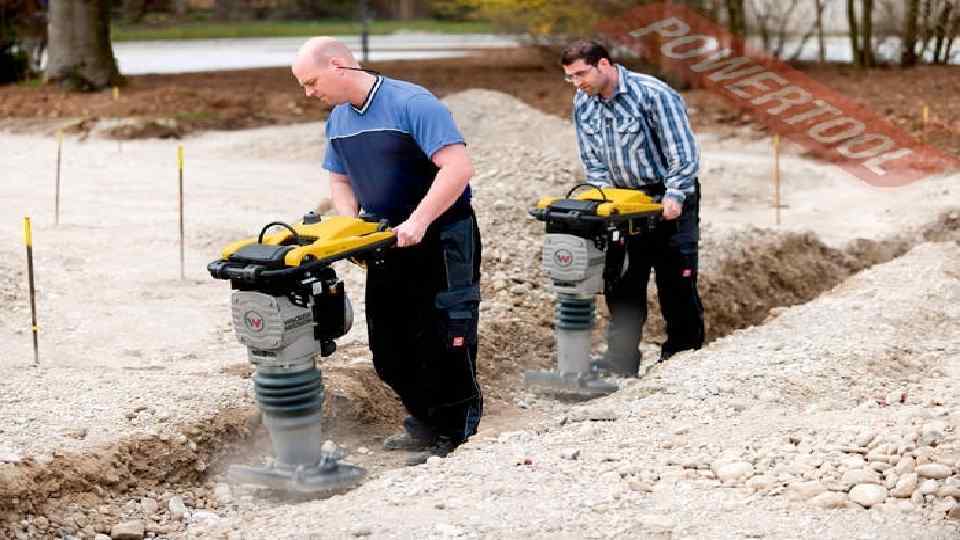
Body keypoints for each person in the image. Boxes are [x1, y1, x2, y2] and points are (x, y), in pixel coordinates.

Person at [292, 37, 483, 463]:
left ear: (338, 65)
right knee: (390, 346)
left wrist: (419, 220)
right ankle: (423, 422)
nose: (308, 93)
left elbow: (458, 167)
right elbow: (339, 178)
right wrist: (351, 226)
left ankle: (455, 433)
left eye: (311, 82)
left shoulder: (412, 102)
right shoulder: (338, 119)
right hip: (384, 242)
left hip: (442, 236)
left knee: (445, 335)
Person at [560, 40, 705, 376]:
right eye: (570, 77)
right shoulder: (583, 101)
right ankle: (621, 360)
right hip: (624, 201)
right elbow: (592, 158)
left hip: (666, 195)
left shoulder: (652, 94)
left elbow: (682, 152)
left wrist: (675, 195)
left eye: (581, 74)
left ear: (604, 64)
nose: (577, 83)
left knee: (675, 279)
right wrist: (603, 197)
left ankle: (683, 354)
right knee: (622, 281)